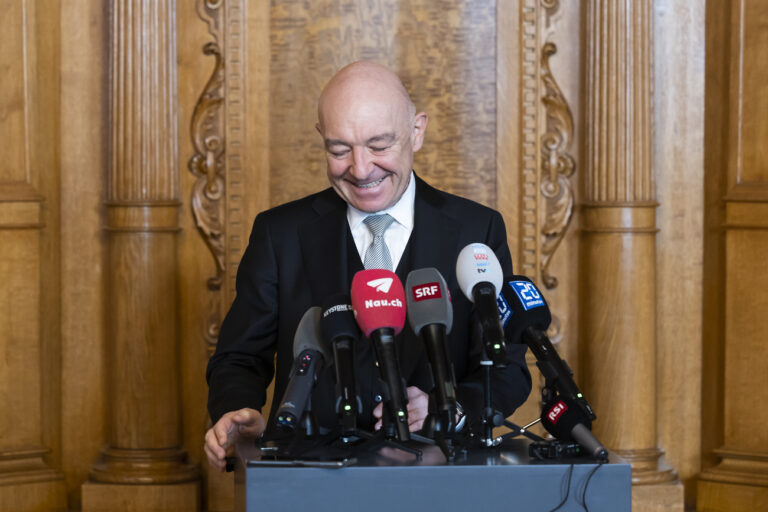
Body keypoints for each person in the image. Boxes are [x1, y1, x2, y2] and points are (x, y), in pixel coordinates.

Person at [204, 61, 531, 470]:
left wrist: (448, 407)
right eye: (339, 150)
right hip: (309, 480)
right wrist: (237, 409)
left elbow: (507, 370)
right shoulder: (279, 233)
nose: (360, 170)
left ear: (417, 131)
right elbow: (239, 357)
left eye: (379, 146)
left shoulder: (477, 229)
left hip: (442, 481)